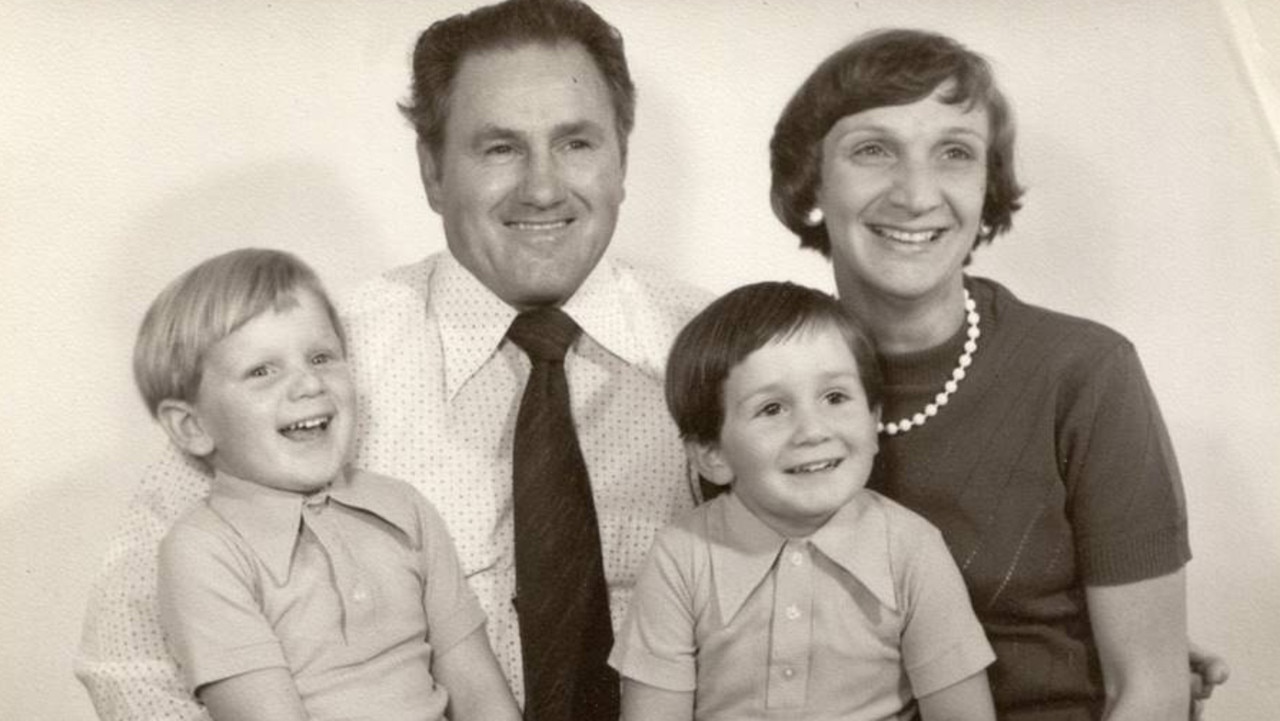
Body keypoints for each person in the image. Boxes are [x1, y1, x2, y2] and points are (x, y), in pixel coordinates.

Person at [74, 1, 709, 719]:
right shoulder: (311, 369)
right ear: (432, 171)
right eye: (499, 148)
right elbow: (128, 659)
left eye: (577, 143)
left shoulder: (727, 356)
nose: (541, 186)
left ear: (623, 158)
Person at [769, 28, 1225, 720]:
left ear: (988, 187)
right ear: (811, 183)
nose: (917, 194)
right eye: (872, 150)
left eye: (954, 154)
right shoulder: (761, 375)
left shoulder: (1086, 373)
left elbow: (1150, 692)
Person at [135, 248, 519, 721]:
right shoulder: (204, 550)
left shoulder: (404, 508)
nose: (309, 385)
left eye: (321, 357)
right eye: (262, 370)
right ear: (192, 427)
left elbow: (479, 690)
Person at [610, 281, 998, 720]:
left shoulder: (911, 549)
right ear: (713, 455)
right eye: (772, 409)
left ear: (874, 420)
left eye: (835, 397)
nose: (813, 431)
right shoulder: (681, 556)